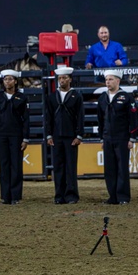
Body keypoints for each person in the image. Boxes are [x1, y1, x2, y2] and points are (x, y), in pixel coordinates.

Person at [44, 65, 84, 204]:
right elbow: (48, 117)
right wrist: (49, 135)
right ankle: (59, 195)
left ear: (70, 79)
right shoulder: (52, 97)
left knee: (71, 167)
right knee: (58, 167)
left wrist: (79, 135)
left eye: (64, 78)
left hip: (71, 136)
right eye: (60, 78)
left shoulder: (76, 96)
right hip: (56, 137)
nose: (62, 80)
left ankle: (72, 195)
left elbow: (80, 117)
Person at [0, 69, 30, 205]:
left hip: (17, 135)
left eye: (10, 79)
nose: (8, 82)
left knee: (16, 165)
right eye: (5, 79)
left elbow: (26, 120)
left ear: (15, 81)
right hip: (1, 135)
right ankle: (5, 196)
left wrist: (25, 138)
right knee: (4, 165)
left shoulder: (22, 98)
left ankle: (16, 196)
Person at [98, 69, 138, 204]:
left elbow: (133, 118)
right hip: (107, 138)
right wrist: (101, 137)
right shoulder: (102, 98)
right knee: (109, 169)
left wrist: (132, 137)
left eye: (110, 80)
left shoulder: (126, 97)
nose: (107, 82)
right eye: (106, 80)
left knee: (122, 168)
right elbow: (100, 119)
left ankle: (123, 197)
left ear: (118, 81)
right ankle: (112, 196)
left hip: (122, 138)